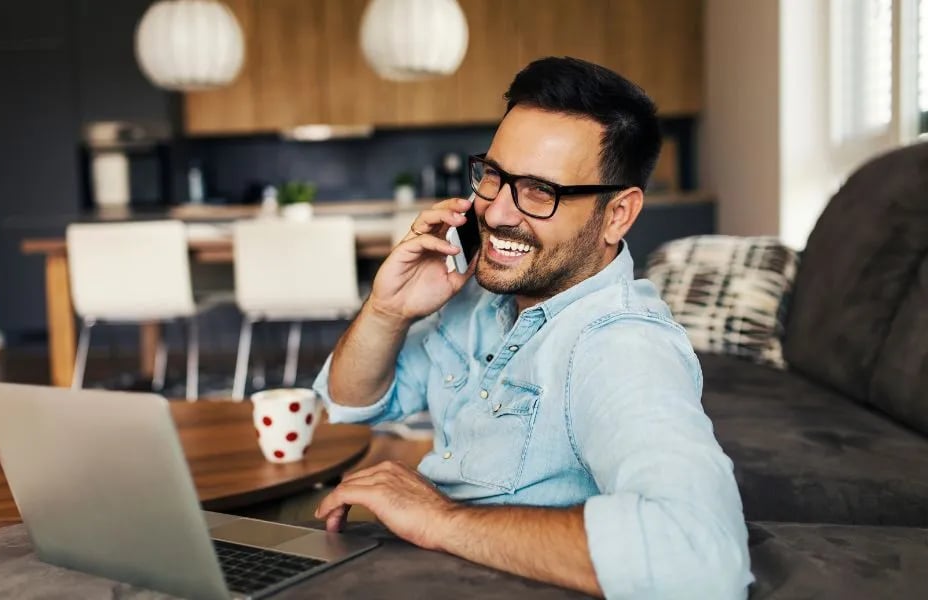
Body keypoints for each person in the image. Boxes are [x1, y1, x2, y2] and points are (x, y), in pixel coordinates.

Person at [312, 57, 752, 599]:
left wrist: (438, 517)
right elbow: (349, 404)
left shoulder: (619, 345)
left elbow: (698, 557)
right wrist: (388, 311)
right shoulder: (481, 299)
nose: (496, 213)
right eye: (494, 176)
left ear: (617, 215)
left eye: (541, 191)